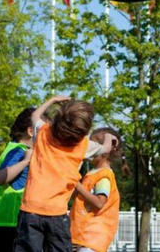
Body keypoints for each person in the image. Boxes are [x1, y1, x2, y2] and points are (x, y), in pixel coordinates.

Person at [14, 95, 116, 252]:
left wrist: (52, 100)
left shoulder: (43, 133)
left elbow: (34, 116)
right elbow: (106, 148)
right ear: (84, 130)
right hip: (57, 214)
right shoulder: (83, 145)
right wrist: (109, 137)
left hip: (31, 210)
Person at [0, 107, 38, 252]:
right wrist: (25, 161)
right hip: (7, 221)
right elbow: (1, 178)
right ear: (31, 131)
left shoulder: (17, 148)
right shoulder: (19, 150)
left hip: (5, 220)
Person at [70, 127, 126, 252]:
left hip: (92, 238)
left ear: (106, 150)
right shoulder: (92, 173)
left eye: (93, 146)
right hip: (83, 237)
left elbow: (100, 202)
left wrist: (78, 186)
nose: (89, 149)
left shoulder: (104, 175)